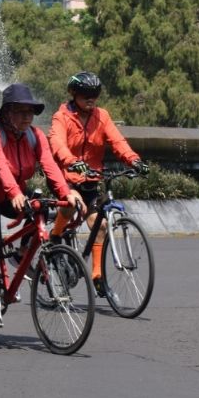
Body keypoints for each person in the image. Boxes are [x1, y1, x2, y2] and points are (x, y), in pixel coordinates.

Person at [0, 83, 84, 329]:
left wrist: (66, 192)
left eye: (30, 112)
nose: (27, 117)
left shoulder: (35, 135)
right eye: (20, 112)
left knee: (40, 206)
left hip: (12, 192)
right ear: (7, 113)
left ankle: (20, 255)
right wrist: (14, 193)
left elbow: (50, 167)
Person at [48, 71, 149, 297]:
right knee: (71, 204)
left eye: (95, 93)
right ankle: (55, 235)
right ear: (74, 94)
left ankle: (97, 277)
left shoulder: (101, 116)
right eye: (85, 94)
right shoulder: (61, 117)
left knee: (101, 226)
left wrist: (134, 160)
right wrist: (72, 162)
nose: (90, 98)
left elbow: (117, 141)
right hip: (65, 176)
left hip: (91, 178)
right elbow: (57, 144)